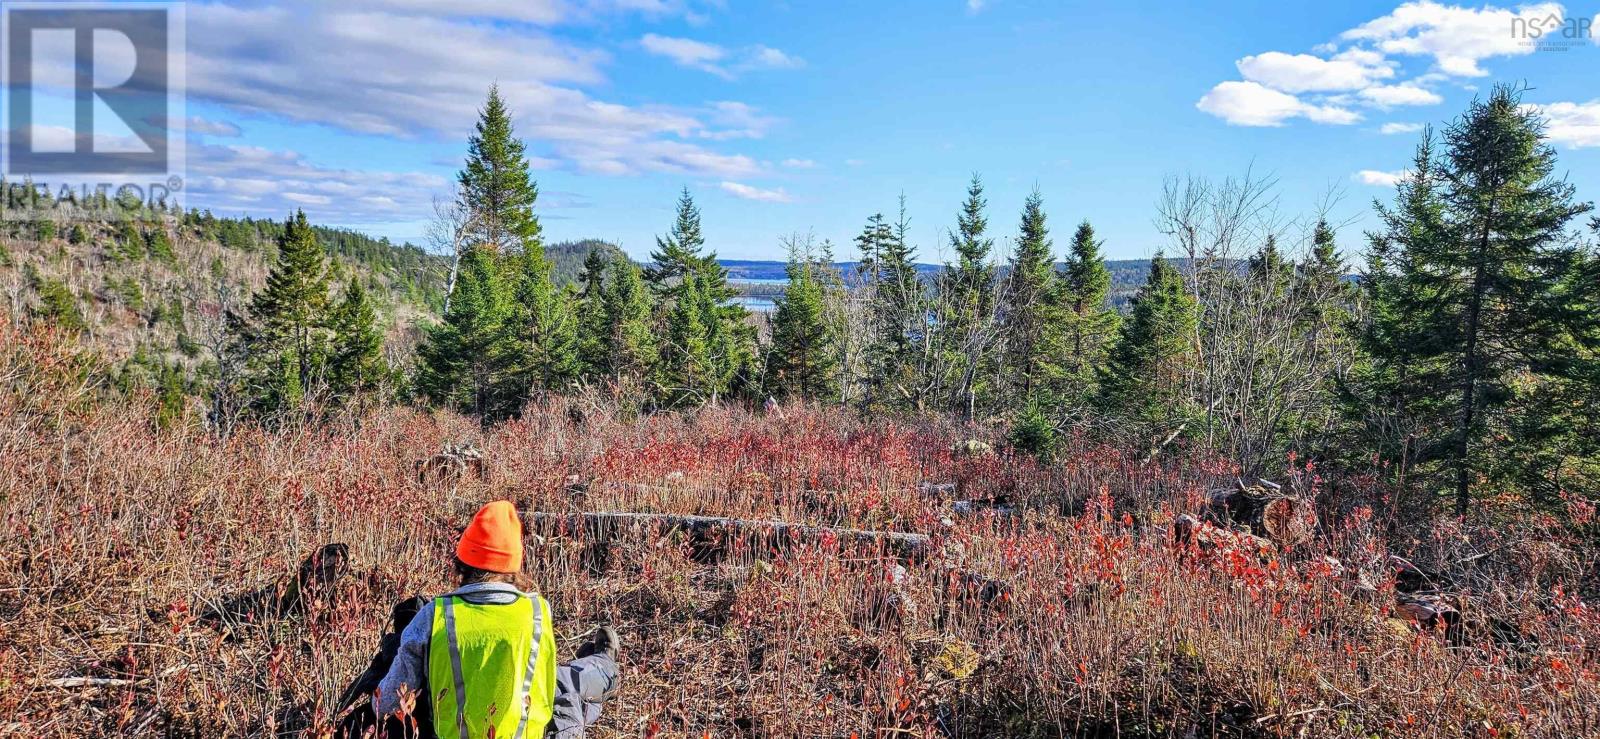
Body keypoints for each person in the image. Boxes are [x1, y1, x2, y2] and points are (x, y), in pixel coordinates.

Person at [370, 500, 620, 739]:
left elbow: (386, 704)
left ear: (462, 563)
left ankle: (604, 667)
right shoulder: (537, 611)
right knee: (565, 682)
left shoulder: (433, 616)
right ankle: (607, 667)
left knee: (566, 682)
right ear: (514, 566)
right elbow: (544, 688)